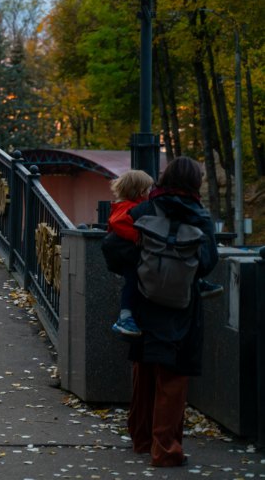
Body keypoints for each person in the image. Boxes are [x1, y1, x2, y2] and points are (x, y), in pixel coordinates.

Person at [119, 157, 220, 467]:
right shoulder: (199, 218)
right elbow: (208, 261)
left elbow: (115, 247)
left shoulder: (146, 209)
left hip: (144, 301)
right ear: (195, 183)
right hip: (181, 307)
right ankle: (166, 449)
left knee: (145, 370)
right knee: (173, 379)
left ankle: (141, 440)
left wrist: (141, 271)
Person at [103, 170, 155, 337]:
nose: (150, 193)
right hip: (129, 257)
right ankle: (125, 317)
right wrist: (140, 238)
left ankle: (126, 317)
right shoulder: (128, 209)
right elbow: (118, 224)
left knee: (133, 283)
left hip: (128, 256)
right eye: (149, 190)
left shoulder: (126, 207)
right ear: (141, 192)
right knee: (131, 283)